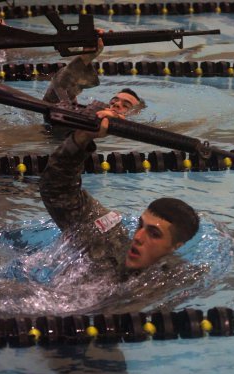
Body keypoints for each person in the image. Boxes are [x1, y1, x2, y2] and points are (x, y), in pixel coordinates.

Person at [40, 39, 200, 281]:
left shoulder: (171, 281)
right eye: (140, 225)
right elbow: (57, 189)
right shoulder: (110, 235)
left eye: (154, 234)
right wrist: (82, 137)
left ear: (174, 247)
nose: (138, 237)